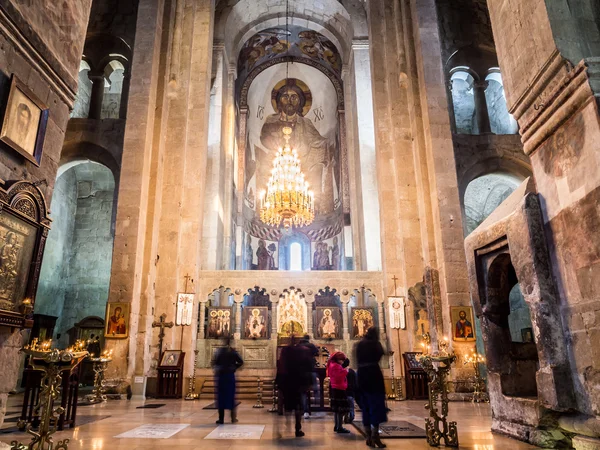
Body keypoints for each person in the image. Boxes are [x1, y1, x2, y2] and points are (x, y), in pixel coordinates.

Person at [355, 327, 387, 448]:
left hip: (362, 375)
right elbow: (381, 354)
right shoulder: (375, 344)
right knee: (376, 406)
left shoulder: (360, 344)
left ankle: (368, 436)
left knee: (365, 407)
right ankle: (375, 436)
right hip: (373, 375)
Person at [276, 337, 313, 437]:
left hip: (287, 382)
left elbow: (281, 365)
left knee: (288, 404)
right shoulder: (302, 351)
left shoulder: (286, 351)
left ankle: (288, 421)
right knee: (298, 406)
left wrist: (278, 382)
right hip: (299, 382)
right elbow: (309, 366)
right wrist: (309, 382)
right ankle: (298, 427)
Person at [212, 338, 244, 424]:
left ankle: (221, 419)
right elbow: (241, 362)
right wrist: (234, 367)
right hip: (229, 376)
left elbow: (214, 363)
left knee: (221, 397)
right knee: (231, 396)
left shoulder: (219, 352)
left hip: (221, 376)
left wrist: (219, 368)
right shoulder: (232, 352)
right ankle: (233, 418)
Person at [327, 351, 351, 433]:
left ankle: (337, 426)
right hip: (339, 389)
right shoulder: (336, 366)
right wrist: (346, 371)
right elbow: (339, 377)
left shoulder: (332, 365)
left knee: (337, 410)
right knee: (341, 410)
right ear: (338, 359)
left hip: (335, 388)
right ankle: (339, 427)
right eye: (342, 360)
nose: (343, 362)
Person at [298, 334, 319, 419]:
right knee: (315, 385)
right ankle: (317, 400)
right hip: (311, 370)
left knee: (303, 392)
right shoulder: (311, 345)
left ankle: (305, 410)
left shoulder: (298, 346)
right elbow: (317, 352)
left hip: (302, 372)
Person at [344, 360, 357, 424]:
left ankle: (346, 418)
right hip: (351, 392)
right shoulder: (352, 371)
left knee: (345, 406)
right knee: (351, 406)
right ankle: (351, 417)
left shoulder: (342, 371)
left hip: (344, 391)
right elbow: (355, 382)